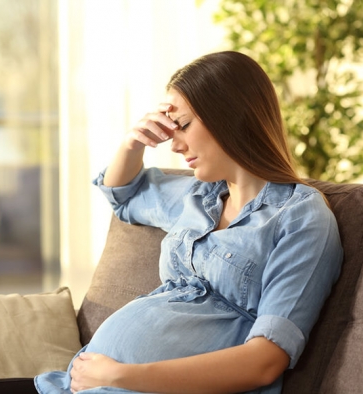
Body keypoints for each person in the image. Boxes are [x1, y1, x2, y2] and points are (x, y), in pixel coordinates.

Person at [35, 51, 343, 394]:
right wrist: (132, 142)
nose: (175, 145)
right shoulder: (198, 196)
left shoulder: (301, 217)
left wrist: (119, 376)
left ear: (228, 115)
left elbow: (265, 362)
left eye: (182, 126)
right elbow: (122, 195)